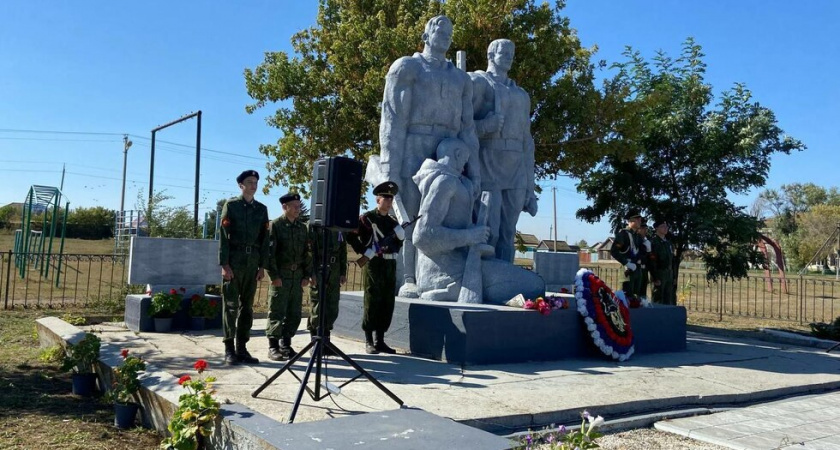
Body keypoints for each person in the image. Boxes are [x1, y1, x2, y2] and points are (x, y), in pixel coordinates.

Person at [376, 15, 479, 298]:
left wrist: (475, 168)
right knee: (411, 212)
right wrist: (389, 167)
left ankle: (438, 277)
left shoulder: (460, 79)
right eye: (439, 29)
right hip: (414, 144)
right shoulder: (408, 68)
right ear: (425, 34)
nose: (445, 34)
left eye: (449, 31)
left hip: (449, 148)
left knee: (443, 214)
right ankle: (408, 276)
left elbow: (468, 127)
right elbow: (392, 120)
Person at [411, 138, 544, 303]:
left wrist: (477, 237)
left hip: (462, 262)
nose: (465, 166)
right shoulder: (443, 182)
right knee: (533, 285)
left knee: (533, 284)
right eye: (465, 161)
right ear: (458, 154)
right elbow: (422, 236)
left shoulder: (457, 182)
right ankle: (443, 288)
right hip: (444, 271)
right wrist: (469, 236)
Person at [469, 38, 538, 262]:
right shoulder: (478, 83)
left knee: (509, 233)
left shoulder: (522, 95)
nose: (509, 56)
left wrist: (530, 186)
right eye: (504, 52)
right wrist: (484, 126)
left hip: (516, 167)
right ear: (491, 55)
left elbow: (527, 141)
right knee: (490, 230)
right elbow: (459, 125)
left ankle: (504, 280)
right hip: (489, 162)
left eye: (512, 52)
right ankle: (481, 278)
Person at [345, 181, 405, 354]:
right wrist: (364, 251)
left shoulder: (393, 222)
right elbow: (351, 236)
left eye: (390, 198)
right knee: (373, 300)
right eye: (385, 198)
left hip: (389, 263)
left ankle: (380, 340)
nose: (388, 201)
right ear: (378, 199)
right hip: (374, 263)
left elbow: (396, 244)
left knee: (387, 301)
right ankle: (369, 340)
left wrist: (400, 239)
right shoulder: (367, 219)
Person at [219, 170, 269, 366]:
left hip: (252, 262)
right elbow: (223, 236)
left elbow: (265, 240)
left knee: (247, 307)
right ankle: (229, 348)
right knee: (230, 307)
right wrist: (224, 264)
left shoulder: (261, 209)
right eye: (249, 182)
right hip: (235, 261)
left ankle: (242, 348)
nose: (253, 185)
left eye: (255, 182)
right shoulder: (231, 206)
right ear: (241, 185)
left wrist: (262, 266)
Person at [265, 192, 312, 361]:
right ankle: (273, 346)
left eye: (299, 206)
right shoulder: (276, 225)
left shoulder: (302, 228)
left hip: (297, 276)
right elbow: (270, 254)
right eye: (294, 206)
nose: (297, 209)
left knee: (294, 312)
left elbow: (307, 253)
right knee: (277, 310)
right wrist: (274, 275)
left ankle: (286, 344)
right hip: (281, 275)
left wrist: (307, 274)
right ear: (284, 207)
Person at [307, 227, 347, 356]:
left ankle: (326, 341)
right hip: (318, 269)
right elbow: (309, 252)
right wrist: (311, 273)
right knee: (317, 306)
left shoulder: (338, 227)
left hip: (334, 271)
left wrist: (342, 272)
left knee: (331, 306)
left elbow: (342, 250)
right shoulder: (314, 226)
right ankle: (315, 341)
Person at [610, 210, 645, 299]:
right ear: (631, 221)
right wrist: (626, 263)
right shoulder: (623, 234)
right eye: (637, 219)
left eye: (640, 219)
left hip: (637, 269)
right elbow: (614, 251)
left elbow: (641, 252)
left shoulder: (637, 235)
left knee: (637, 297)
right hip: (627, 270)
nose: (640, 221)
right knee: (627, 297)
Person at [650, 220, 675, 305]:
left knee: (668, 297)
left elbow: (672, 260)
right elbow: (652, 261)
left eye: (666, 227)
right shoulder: (654, 242)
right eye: (663, 226)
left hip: (668, 273)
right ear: (657, 228)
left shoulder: (668, 243)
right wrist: (655, 277)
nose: (666, 228)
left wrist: (673, 275)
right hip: (659, 273)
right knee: (658, 297)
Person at [636, 222, 652, 300]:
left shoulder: (647, 242)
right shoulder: (634, 240)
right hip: (635, 269)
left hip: (644, 269)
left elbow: (649, 257)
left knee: (643, 293)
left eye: (646, 229)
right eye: (642, 229)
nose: (645, 231)